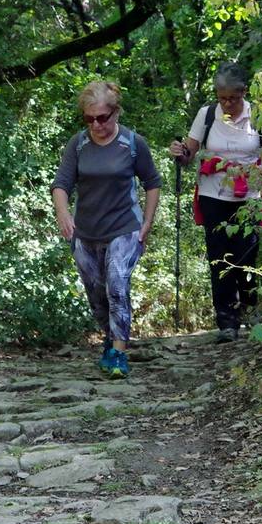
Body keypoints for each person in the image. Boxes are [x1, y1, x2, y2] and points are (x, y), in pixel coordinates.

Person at [51, 81, 162, 378]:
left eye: (102, 117)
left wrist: (147, 221)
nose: (96, 125)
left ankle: (118, 352)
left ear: (116, 112)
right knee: (96, 293)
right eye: (89, 119)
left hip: (124, 227)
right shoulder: (78, 144)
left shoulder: (133, 143)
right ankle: (110, 338)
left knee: (116, 281)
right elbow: (61, 184)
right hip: (86, 232)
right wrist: (63, 212)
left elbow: (152, 182)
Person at [168, 62, 262, 342]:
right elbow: (189, 154)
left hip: (250, 196)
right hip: (213, 194)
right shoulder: (207, 115)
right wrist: (180, 152)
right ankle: (227, 323)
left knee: (247, 256)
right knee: (219, 259)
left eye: (232, 98)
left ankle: (250, 312)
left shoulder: (260, 115)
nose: (227, 104)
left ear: (244, 92)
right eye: (222, 98)